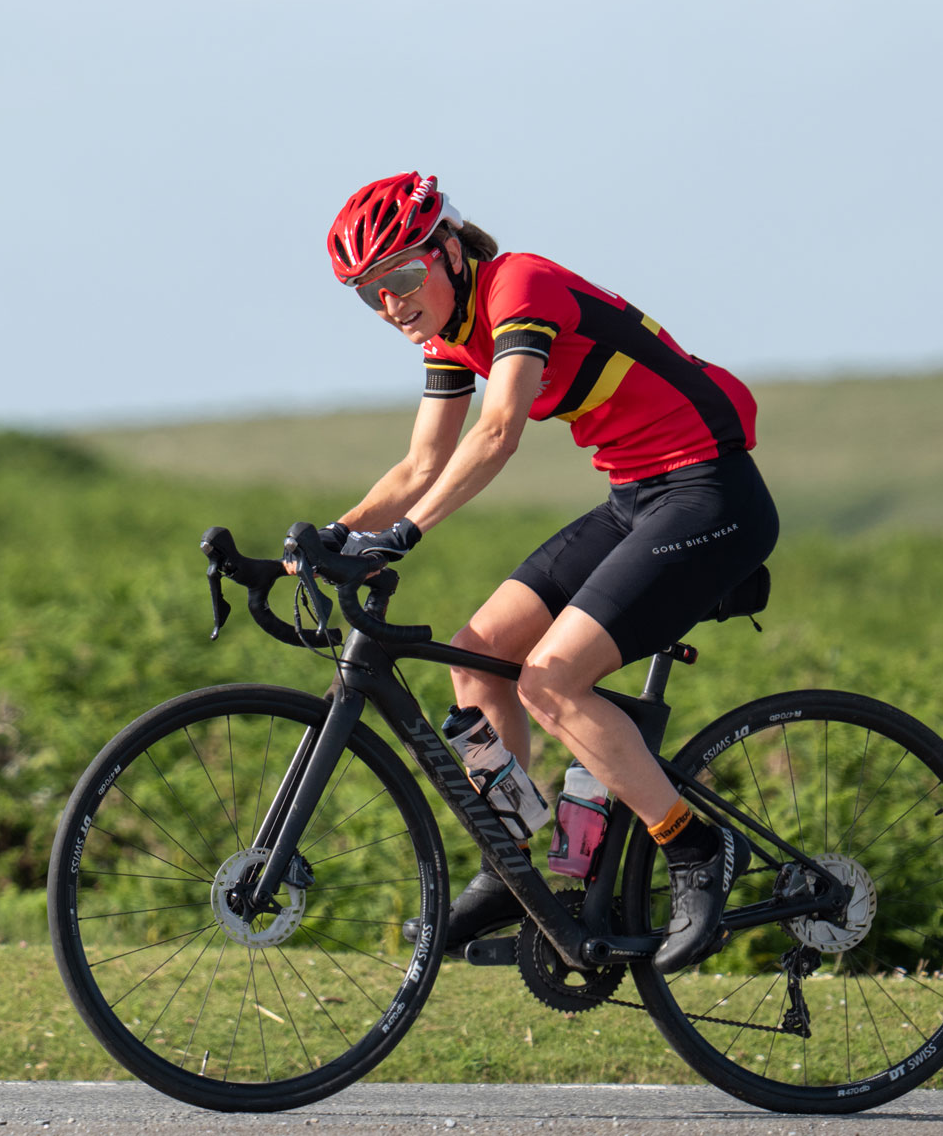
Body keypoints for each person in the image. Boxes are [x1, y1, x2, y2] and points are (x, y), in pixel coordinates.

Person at [302, 170, 778, 973]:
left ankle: (697, 849)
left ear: (450, 252)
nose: (391, 303)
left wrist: (405, 537)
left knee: (550, 681)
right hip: (636, 494)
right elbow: (421, 461)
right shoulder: (447, 335)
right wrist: (332, 536)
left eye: (403, 277)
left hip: (709, 491)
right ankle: (514, 866)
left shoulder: (520, 284)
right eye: (369, 293)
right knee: (479, 658)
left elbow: (495, 435)